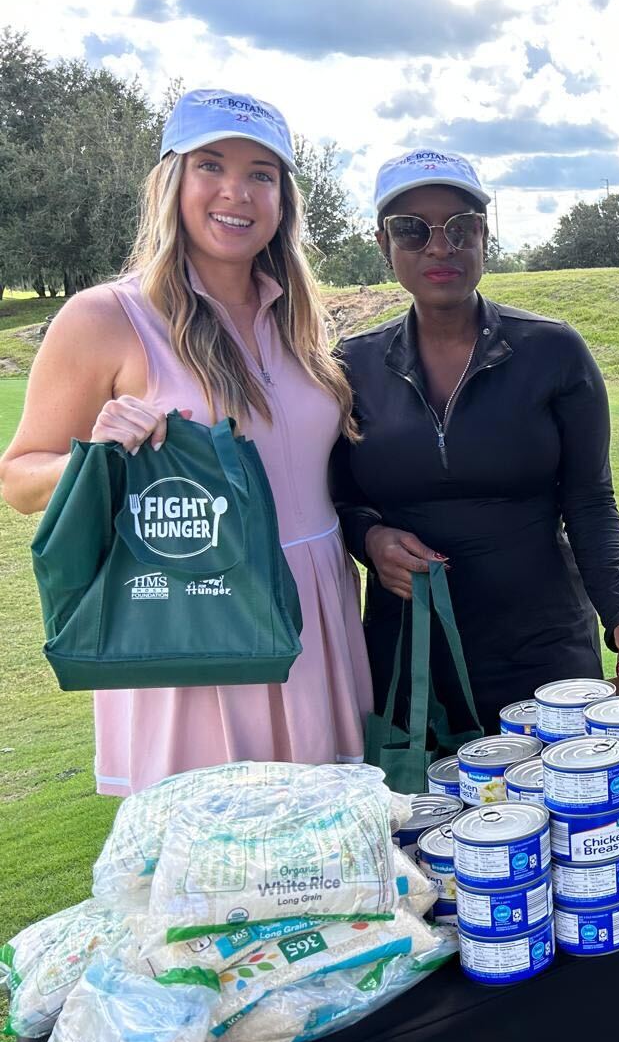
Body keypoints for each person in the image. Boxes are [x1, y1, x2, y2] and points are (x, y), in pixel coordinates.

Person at [0, 89, 371, 794]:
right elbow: (18, 479)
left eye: (262, 173)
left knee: (323, 863)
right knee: (213, 868)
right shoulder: (108, 315)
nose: (237, 191)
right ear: (173, 180)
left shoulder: (298, 321)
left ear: (284, 198)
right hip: (197, 616)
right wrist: (97, 457)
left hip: (318, 616)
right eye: (212, 165)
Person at [330, 149, 619, 735]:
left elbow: (590, 500)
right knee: (423, 820)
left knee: (573, 809)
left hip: (545, 649)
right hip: (410, 656)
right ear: (384, 244)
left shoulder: (553, 351)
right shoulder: (352, 364)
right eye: (412, 229)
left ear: (484, 234)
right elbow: (334, 501)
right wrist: (370, 537)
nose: (439, 245)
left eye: (459, 226)